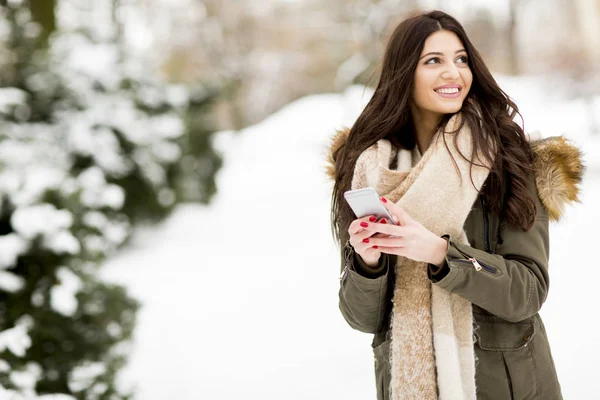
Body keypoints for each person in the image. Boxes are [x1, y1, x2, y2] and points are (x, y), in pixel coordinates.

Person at [326, 10, 585, 400]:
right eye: (434, 61)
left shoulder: (509, 160)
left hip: (505, 386)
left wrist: (441, 253)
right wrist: (368, 264)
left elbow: (527, 292)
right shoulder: (370, 168)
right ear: (403, 73)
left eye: (461, 59)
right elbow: (362, 319)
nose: (454, 73)